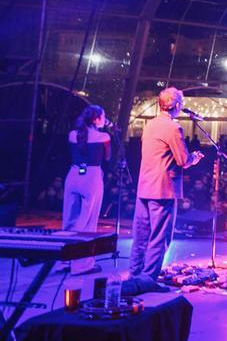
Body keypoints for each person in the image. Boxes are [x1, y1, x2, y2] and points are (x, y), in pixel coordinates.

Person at [129, 87, 203, 288]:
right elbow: (182, 159)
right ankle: (147, 280)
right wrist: (194, 159)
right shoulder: (173, 127)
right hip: (162, 189)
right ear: (177, 105)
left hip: (144, 186)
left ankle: (135, 275)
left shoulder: (150, 124)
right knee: (160, 237)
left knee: (141, 235)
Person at [62, 104, 111, 275]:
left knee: (69, 219)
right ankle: (82, 265)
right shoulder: (103, 136)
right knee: (88, 221)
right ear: (97, 119)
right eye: (103, 117)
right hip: (92, 176)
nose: (105, 120)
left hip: (74, 173)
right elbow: (107, 157)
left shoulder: (72, 135)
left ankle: (65, 261)